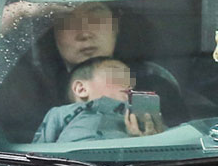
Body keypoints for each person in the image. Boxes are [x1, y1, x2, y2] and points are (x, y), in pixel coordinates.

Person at [0, 1, 178, 142]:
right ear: (51, 31)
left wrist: (153, 142)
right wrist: (21, 11)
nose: (84, 33)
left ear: (116, 25)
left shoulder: (154, 83)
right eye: (66, 19)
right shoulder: (23, 89)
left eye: (95, 17)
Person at [32, 57, 163, 143]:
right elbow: (39, 152)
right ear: (81, 89)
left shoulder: (136, 116)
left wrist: (146, 141)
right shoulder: (61, 113)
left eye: (131, 81)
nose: (129, 84)